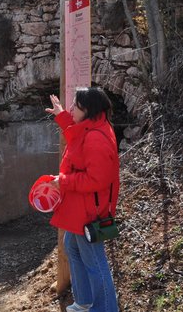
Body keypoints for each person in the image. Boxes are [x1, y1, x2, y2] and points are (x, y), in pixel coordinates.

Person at [45, 88, 120, 312]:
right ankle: (85, 301)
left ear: (87, 110)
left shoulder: (97, 137)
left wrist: (65, 181)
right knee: (72, 247)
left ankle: (105, 308)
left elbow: (97, 180)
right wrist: (62, 116)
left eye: (74, 106)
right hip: (81, 208)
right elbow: (76, 136)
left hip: (89, 212)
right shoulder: (92, 128)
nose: (70, 109)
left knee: (95, 262)